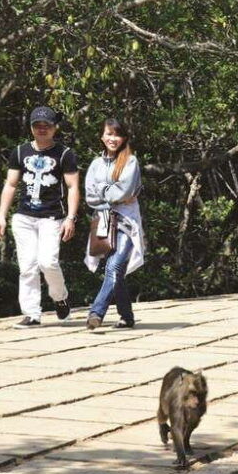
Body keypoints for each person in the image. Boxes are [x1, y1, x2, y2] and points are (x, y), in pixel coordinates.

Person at [0, 106, 79, 328]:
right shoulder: (20, 152)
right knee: (28, 266)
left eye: (47, 125)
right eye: (37, 125)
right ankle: (32, 313)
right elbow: (11, 184)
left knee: (48, 262)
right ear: (31, 127)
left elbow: (73, 187)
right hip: (24, 217)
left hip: (52, 217)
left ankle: (60, 298)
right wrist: (2, 216)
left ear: (54, 127)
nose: (42, 129)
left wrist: (71, 218)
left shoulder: (64, 154)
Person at [84, 119, 145, 330]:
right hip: (104, 222)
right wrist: (112, 191)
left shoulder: (130, 162)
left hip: (127, 222)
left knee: (114, 266)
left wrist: (104, 190)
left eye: (116, 135)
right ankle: (127, 316)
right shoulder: (95, 164)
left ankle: (96, 312)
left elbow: (126, 191)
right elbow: (90, 196)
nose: (112, 139)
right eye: (108, 134)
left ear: (124, 138)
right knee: (115, 271)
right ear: (102, 136)